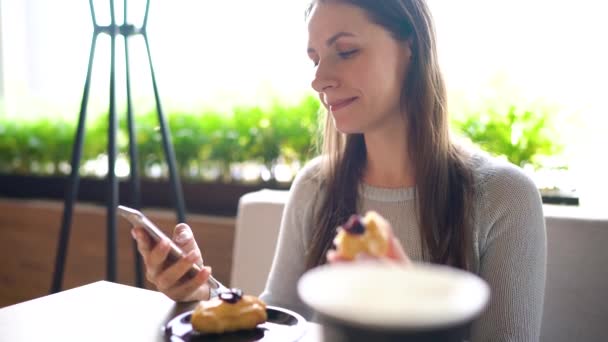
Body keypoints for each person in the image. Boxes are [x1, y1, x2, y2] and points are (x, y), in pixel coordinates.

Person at [132, 0, 547, 340]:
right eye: (314, 58)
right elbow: (280, 327)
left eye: (345, 51)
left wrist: (406, 310)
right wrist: (201, 293)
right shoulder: (316, 186)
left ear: (411, 45)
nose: (319, 79)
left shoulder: (504, 197)